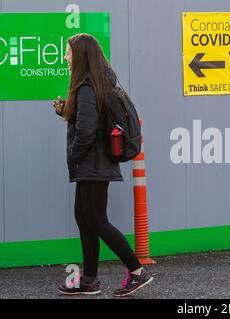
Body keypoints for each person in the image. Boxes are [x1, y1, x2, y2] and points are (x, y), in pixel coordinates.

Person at [52, 33, 153, 297]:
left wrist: (75, 155)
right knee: (84, 219)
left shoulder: (86, 87)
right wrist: (65, 111)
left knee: (96, 220)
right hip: (94, 164)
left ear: (80, 56)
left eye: (68, 52)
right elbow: (88, 119)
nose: (65, 57)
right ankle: (89, 280)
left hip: (92, 165)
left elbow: (86, 130)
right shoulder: (95, 85)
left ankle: (137, 271)